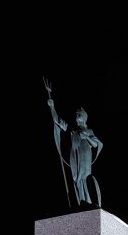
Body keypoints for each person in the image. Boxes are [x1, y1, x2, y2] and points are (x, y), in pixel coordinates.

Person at [44, 79, 103, 207]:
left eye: (79, 114)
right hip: (74, 155)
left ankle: (89, 202)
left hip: (85, 154)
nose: (76, 115)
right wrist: (52, 107)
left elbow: (96, 144)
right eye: (76, 114)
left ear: (84, 116)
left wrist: (87, 137)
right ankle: (81, 202)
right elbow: (57, 121)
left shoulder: (88, 130)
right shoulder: (73, 130)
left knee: (85, 177)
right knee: (77, 179)